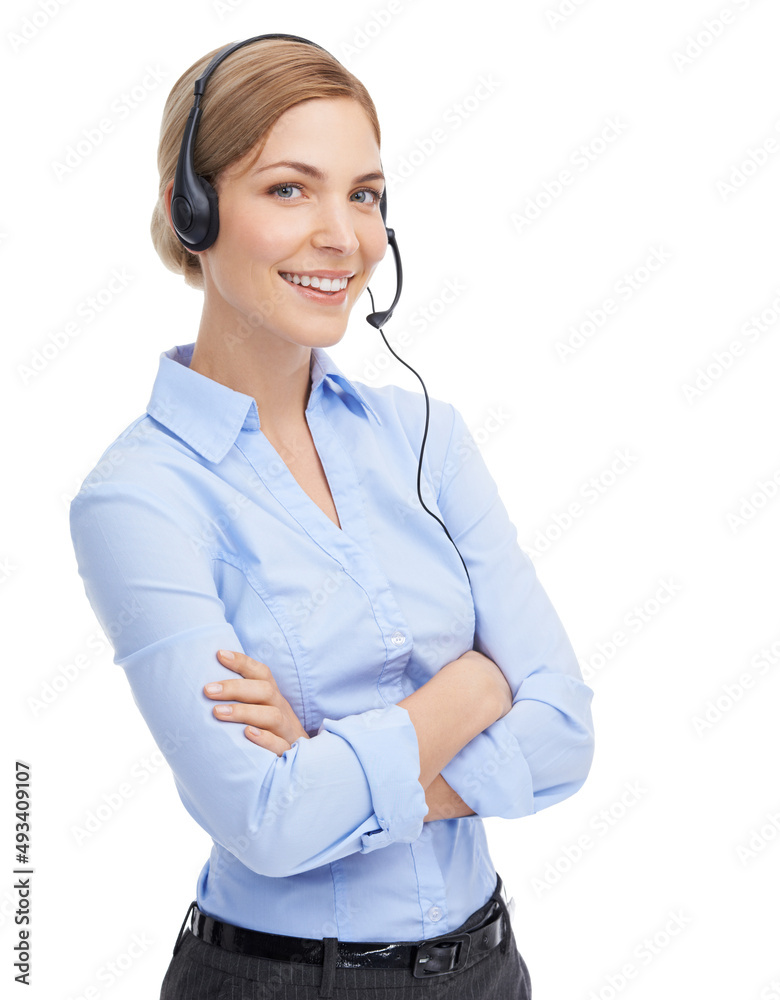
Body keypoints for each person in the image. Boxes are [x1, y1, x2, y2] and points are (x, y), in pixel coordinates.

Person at [68, 32, 595, 1000]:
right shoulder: (138, 497)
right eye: (287, 189)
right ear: (195, 210)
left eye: (364, 194)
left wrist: (330, 764)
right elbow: (266, 823)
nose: (344, 236)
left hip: (485, 969)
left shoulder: (428, 435)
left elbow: (564, 732)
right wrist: (472, 689)